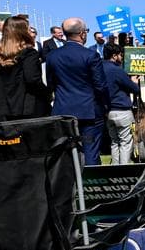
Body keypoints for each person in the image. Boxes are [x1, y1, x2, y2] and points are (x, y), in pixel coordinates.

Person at [44, 18, 109, 166]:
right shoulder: (90, 55)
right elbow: (100, 86)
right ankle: (90, 186)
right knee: (91, 152)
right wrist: (105, 107)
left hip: (63, 111)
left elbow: (51, 84)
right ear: (82, 34)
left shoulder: (53, 56)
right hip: (89, 113)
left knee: (65, 153)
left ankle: (69, 185)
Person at [0, 17, 50, 123]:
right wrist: (47, 93)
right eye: (28, 29)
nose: (30, 32)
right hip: (25, 108)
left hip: (0, 106)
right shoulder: (29, 53)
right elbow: (32, 79)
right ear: (22, 32)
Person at [100, 43, 140, 165]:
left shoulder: (99, 68)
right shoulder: (117, 70)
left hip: (108, 112)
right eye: (120, 55)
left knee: (114, 142)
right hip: (122, 110)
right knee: (125, 143)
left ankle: (114, 171)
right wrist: (133, 81)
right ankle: (123, 170)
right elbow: (135, 89)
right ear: (114, 55)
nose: (121, 58)